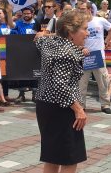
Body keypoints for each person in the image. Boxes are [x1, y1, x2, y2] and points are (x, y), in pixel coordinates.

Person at [35, 10, 88, 173]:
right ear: (71, 31)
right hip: (62, 109)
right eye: (84, 29)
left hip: (45, 105)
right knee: (70, 158)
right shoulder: (67, 53)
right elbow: (60, 85)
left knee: (52, 157)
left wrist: (48, 34)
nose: (87, 34)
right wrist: (78, 109)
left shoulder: (48, 43)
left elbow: (37, 38)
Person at [78, 2, 111, 114]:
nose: (80, 11)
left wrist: (106, 41)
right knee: (82, 83)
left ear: (89, 9)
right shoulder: (79, 23)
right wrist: (81, 48)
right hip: (84, 56)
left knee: (103, 82)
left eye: (83, 9)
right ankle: (81, 105)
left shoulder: (99, 20)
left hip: (99, 56)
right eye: (79, 9)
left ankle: (105, 105)